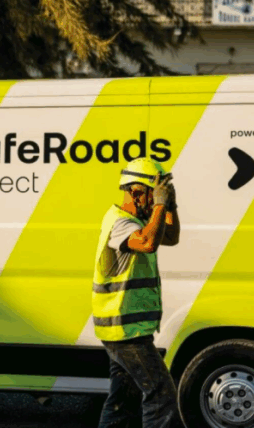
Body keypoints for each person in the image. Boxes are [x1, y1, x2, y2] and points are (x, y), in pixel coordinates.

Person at [93, 157, 181, 428]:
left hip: (128, 328)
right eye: (154, 194)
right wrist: (160, 206)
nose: (156, 201)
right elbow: (148, 243)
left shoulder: (136, 220)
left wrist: (170, 206)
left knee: (123, 400)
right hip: (125, 330)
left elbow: (170, 237)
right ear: (136, 193)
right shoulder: (121, 223)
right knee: (162, 396)